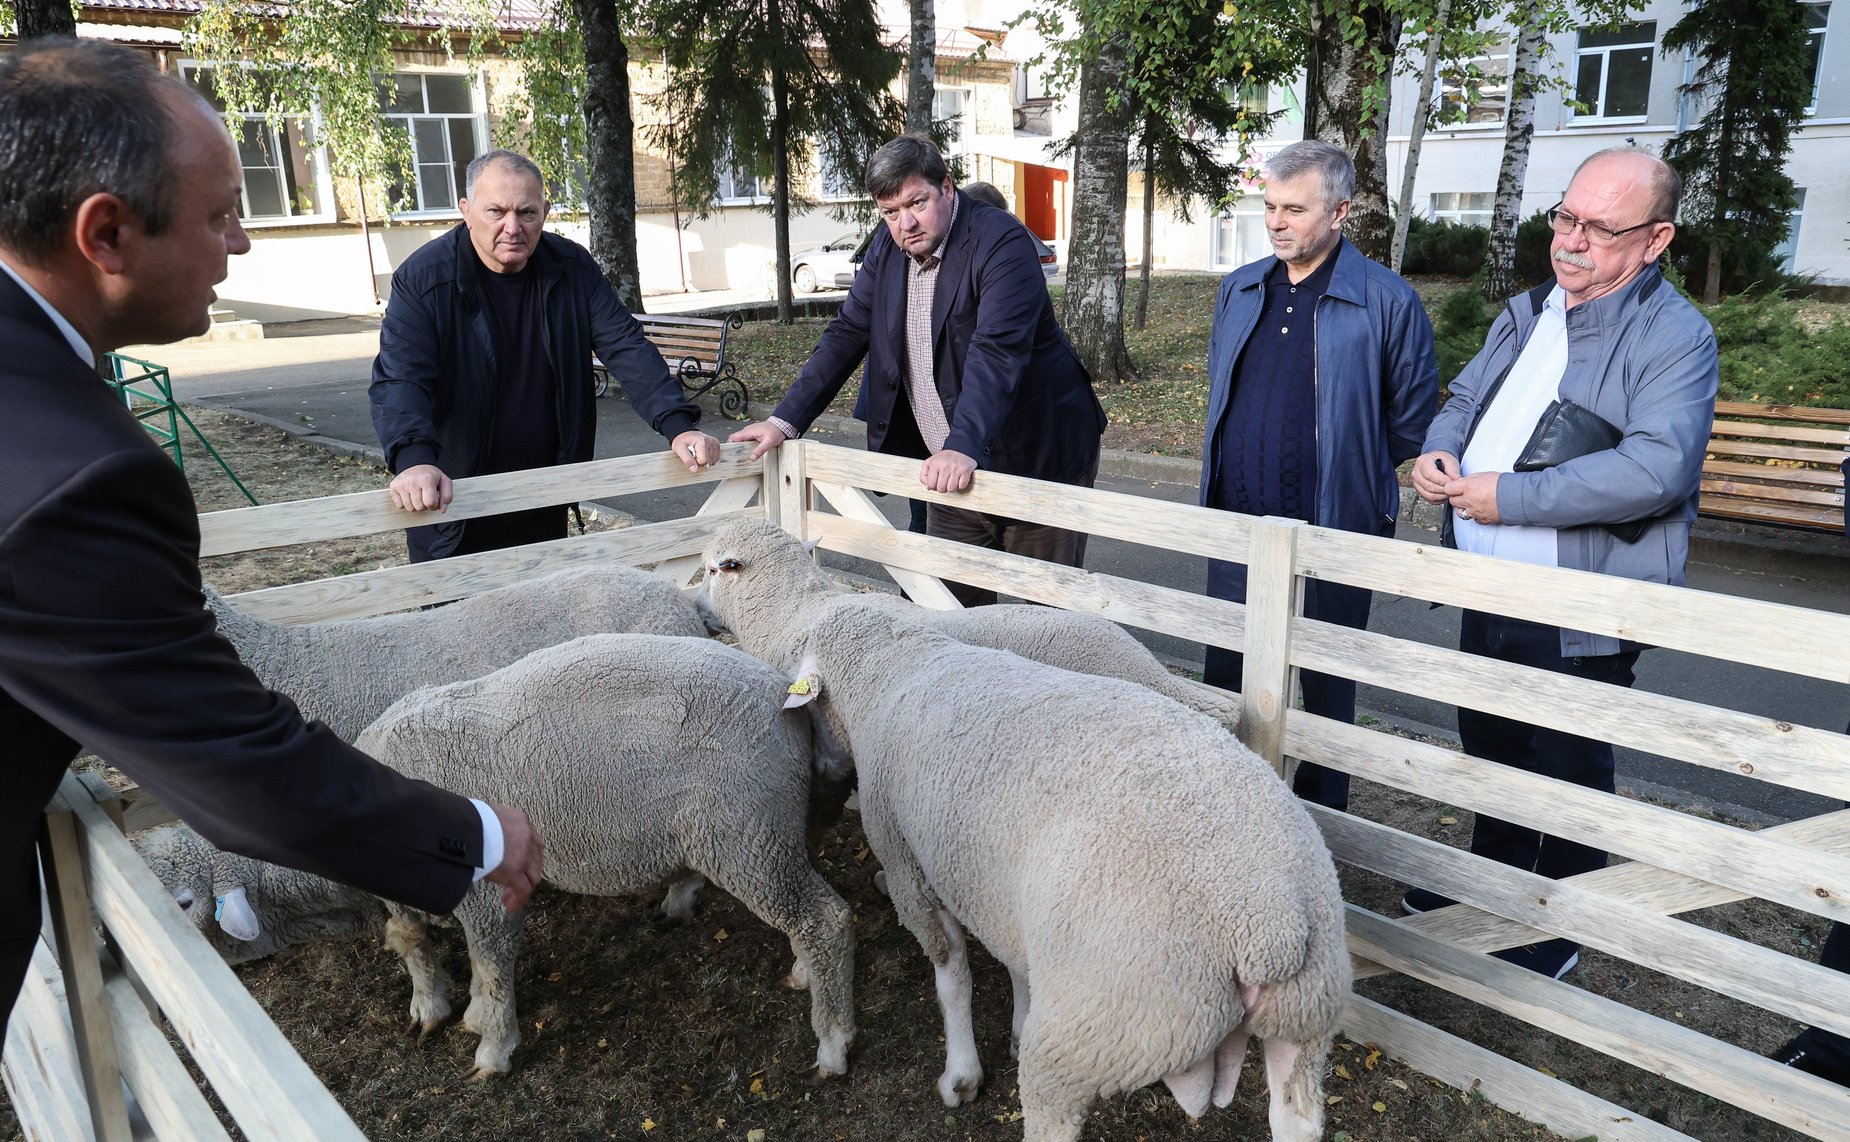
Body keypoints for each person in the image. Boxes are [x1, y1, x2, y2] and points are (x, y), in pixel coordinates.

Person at [0, 38, 543, 1032]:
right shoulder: (78, 473)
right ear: (107, 234)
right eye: (219, 216)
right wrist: (469, 831)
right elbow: (235, 759)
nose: (240, 244)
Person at [1407, 147, 1718, 979]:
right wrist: (1438, 453)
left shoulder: (1676, 335)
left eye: (1600, 228)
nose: (1571, 242)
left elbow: (1657, 468)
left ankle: (1564, 915)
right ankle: (1489, 886)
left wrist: (1510, 498)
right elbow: (1467, 400)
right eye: (1565, 217)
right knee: (1491, 740)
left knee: (1570, 761)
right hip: (1491, 581)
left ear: (1655, 242)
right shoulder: (1530, 308)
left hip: (1583, 601)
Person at [731, 134, 1106, 607]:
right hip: (949, 471)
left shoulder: (1001, 241)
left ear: (947, 187)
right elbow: (847, 334)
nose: (905, 223)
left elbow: (997, 351)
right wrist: (783, 420)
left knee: (1038, 625)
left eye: (917, 203)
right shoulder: (887, 252)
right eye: (890, 212)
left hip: (1036, 460)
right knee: (940, 614)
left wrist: (961, 446)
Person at [1197, 140, 1438, 812]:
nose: (1276, 221)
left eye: (1293, 209)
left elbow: (1411, 419)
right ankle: (1229, 808)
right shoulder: (1239, 289)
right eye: (1270, 206)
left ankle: (1323, 819)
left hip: (1336, 525)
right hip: (1237, 525)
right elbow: (1226, 390)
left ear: (1339, 212)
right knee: (1228, 673)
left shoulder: (1388, 302)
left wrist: (1345, 469)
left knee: (1328, 685)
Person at [370, 149, 720, 562]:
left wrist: (678, 426)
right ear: (466, 210)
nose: (512, 227)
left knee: (543, 619)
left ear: (545, 211)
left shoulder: (572, 269)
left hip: (545, 492)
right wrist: (413, 461)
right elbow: (401, 377)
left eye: (527, 213)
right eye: (495, 211)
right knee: (458, 626)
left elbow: (626, 346)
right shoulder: (425, 280)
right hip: (452, 501)